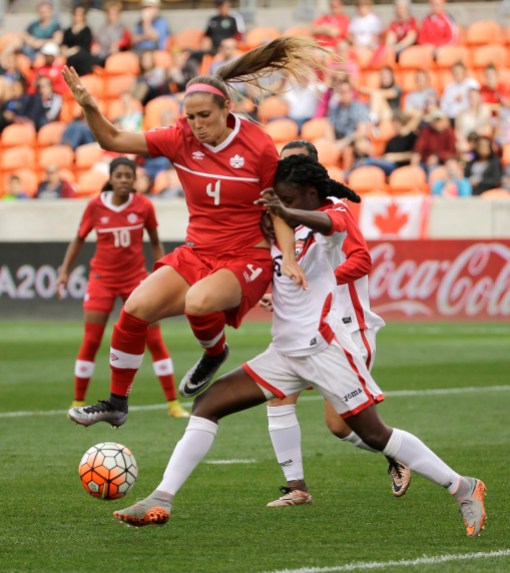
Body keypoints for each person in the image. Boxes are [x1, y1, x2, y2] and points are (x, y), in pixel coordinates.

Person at [110, 154, 487, 540]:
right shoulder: (279, 225)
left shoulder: (330, 219)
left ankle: (463, 486)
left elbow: (330, 224)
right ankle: (161, 498)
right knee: (208, 404)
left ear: (309, 193)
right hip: (285, 353)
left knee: (375, 434)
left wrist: (287, 212)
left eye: (289, 198)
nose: (282, 205)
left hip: (325, 352)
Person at [65, 36, 321, 427]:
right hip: (197, 252)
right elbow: (112, 139)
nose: (197, 125)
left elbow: (278, 210)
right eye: (191, 117)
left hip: (246, 256)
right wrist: (89, 106)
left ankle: (215, 351)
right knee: (134, 310)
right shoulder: (180, 138)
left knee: (199, 302)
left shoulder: (258, 145)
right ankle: (117, 404)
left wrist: (286, 258)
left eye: (205, 115)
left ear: (227, 108)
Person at [261, 141, 409, 507]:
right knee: (278, 394)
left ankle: (397, 453)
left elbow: (361, 259)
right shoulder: (285, 216)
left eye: (299, 164)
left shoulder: (335, 210)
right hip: (306, 330)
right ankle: (297, 486)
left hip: (347, 327)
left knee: (340, 426)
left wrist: (318, 279)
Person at [56, 157, 189, 418]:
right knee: (92, 339)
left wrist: (162, 271)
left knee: (154, 339)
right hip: (102, 280)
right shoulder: (95, 206)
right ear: (111, 178)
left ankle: (173, 404)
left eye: (129, 175)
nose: (125, 180)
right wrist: (64, 271)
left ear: (134, 179)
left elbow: (155, 241)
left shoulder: (143, 205)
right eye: (120, 175)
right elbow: (79, 239)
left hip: (135, 280)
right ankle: (77, 401)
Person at [61, 5, 102, 77]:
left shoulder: (86, 30)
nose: (77, 17)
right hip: (69, 55)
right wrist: (65, 50)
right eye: (76, 15)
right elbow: (64, 43)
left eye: (80, 15)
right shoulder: (68, 31)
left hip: (82, 54)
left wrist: (72, 51)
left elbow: (85, 45)